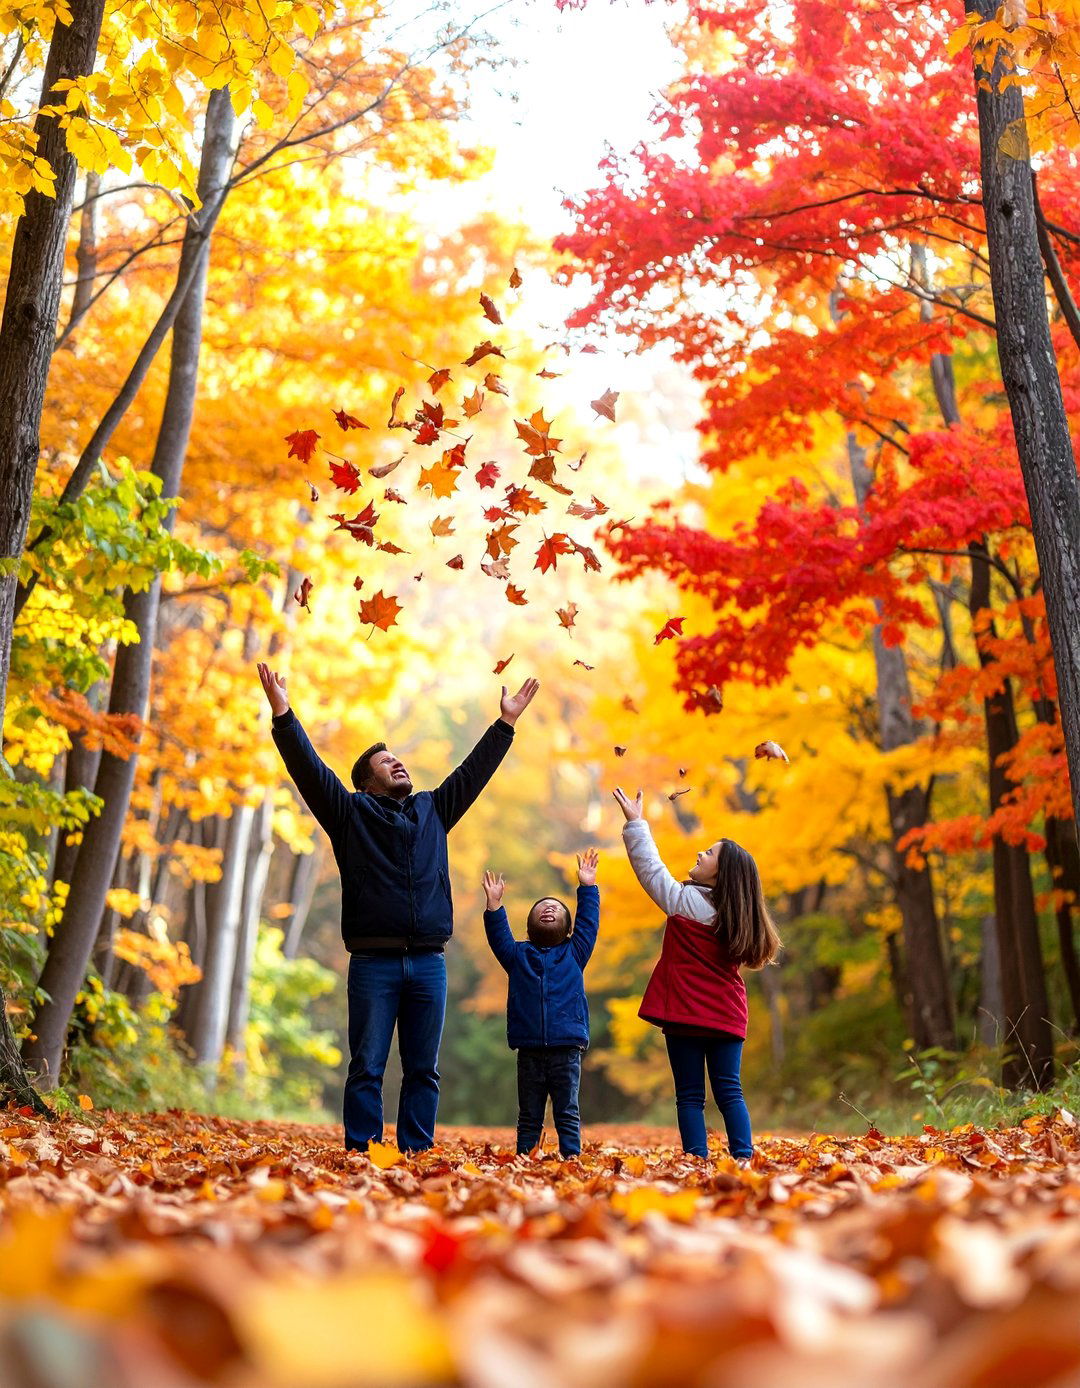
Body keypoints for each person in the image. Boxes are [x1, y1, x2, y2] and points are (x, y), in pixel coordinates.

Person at [257, 660, 539, 1152]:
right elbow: (307, 768)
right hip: (373, 963)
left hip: (429, 961)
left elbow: (473, 774)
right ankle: (363, 1153)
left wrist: (505, 723)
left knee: (423, 1069)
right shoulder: (349, 814)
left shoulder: (434, 808)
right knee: (366, 1065)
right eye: (385, 762)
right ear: (366, 783)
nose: (397, 763)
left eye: (398, 758)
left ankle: (416, 1151)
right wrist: (284, 714)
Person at [612, 786, 781, 1164]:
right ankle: (742, 1159)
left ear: (721, 875)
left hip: (686, 1014)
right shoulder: (741, 920)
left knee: (689, 1094)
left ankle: (696, 1162)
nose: (700, 853)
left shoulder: (686, 903)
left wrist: (636, 823)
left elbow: (650, 871)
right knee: (729, 1092)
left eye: (709, 853)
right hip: (726, 1015)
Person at [481, 848, 600, 1158]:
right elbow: (499, 937)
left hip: (566, 1049)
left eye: (556, 909)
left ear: (568, 927)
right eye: (542, 908)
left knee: (567, 1113)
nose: (549, 909)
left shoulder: (575, 953)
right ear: (530, 926)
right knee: (529, 1116)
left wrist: (587, 886)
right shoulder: (517, 956)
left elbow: (589, 923)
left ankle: (571, 1158)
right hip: (529, 1051)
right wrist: (494, 906)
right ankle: (524, 1160)